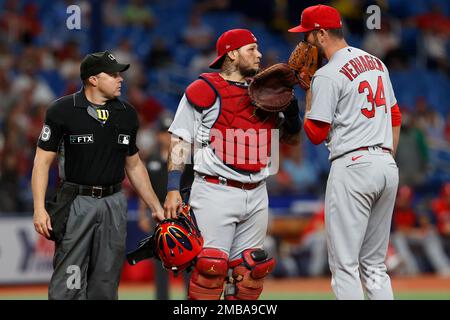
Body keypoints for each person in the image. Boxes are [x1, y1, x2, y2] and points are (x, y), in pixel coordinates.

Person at [163, 28, 302, 300]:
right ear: (232, 53)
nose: (259, 54)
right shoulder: (204, 89)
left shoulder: (269, 92)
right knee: (210, 272)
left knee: (250, 276)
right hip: (215, 190)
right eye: (251, 48)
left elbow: (291, 141)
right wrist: (172, 188)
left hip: (258, 191)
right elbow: (180, 140)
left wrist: (294, 113)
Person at [289, 4, 402, 299]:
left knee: (345, 267)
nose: (304, 44)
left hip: (352, 166)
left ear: (322, 33)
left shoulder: (327, 75)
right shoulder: (377, 63)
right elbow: (396, 116)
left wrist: (310, 90)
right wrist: (386, 157)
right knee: (375, 265)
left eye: (308, 35)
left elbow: (315, 134)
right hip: (386, 165)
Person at [31, 51, 164, 300]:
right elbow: (42, 161)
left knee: (106, 279)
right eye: (113, 74)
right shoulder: (63, 110)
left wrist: (155, 204)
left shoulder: (127, 113)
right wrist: (39, 207)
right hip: (75, 201)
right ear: (93, 79)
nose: (120, 79)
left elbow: (133, 165)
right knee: (69, 282)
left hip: (114, 201)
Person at [137, 113, 193, 299]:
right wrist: (142, 213)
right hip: (158, 210)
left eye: (170, 133)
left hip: (182, 211)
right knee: (159, 258)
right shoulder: (151, 158)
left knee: (187, 255)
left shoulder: (186, 158)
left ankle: (190, 297)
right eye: (163, 132)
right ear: (157, 135)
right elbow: (145, 187)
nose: (166, 137)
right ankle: (162, 297)